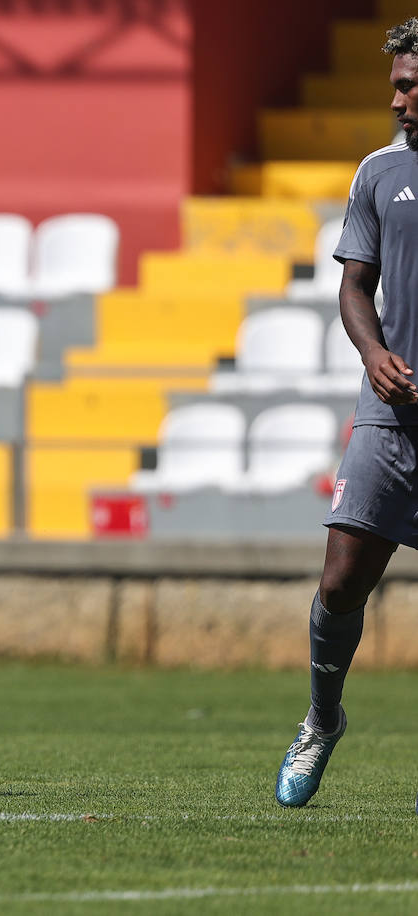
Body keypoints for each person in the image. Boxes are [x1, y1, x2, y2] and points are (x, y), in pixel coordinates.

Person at [275, 19, 418, 808]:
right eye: (394, 83)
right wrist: (372, 355)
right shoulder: (380, 173)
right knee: (339, 586)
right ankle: (322, 719)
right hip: (391, 412)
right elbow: (354, 286)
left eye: (408, 85)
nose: (396, 99)